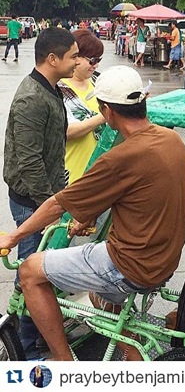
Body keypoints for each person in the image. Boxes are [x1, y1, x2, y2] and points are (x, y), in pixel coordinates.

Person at [0, 65, 185, 361]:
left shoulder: (121, 157)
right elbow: (135, 195)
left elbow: (56, 204)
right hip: (163, 261)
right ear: (142, 101)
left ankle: (63, 362)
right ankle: (134, 357)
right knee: (98, 297)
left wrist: (13, 236)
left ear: (106, 110)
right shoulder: (171, 140)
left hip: (130, 264)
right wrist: (86, 216)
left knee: (30, 271)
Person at [3, 27, 79, 358]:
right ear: (52, 59)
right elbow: (29, 161)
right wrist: (49, 208)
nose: (78, 62)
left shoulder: (52, 90)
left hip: (46, 198)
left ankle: (33, 335)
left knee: (39, 274)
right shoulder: (31, 99)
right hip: (32, 203)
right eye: (74, 56)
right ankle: (22, 347)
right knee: (31, 277)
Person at [58, 29, 106, 184]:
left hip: (98, 174)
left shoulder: (97, 82)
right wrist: (105, 116)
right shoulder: (59, 89)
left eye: (99, 60)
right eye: (92, 60)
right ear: (75, 56)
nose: (95, 65)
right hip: (72, 173)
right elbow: (67, 131)